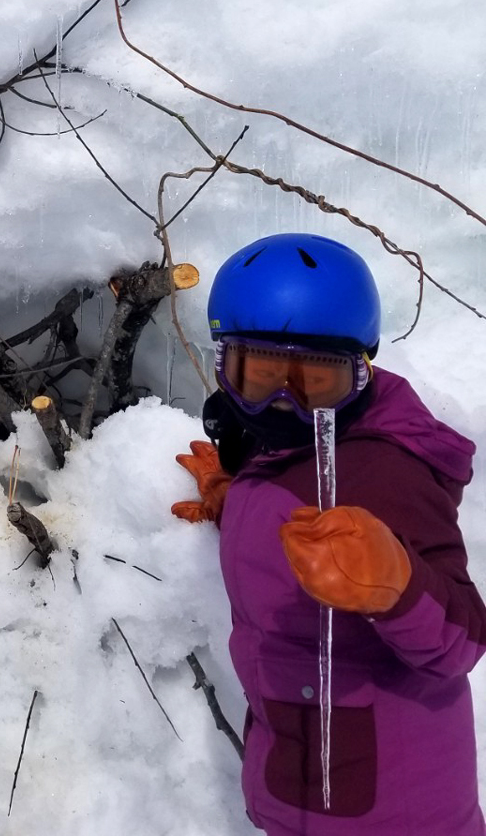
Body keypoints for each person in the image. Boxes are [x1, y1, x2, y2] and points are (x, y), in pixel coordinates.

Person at [172, 232, 486, 835]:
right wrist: (230, 496)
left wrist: (397, 585)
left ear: (361, 371)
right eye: (262, 375)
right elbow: (293, 504)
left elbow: (462, 640)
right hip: (306, 770)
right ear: (225, 366)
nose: (287, 402)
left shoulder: (383, 473)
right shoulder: (284, 455)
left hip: (392, 809)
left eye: (315, 380)